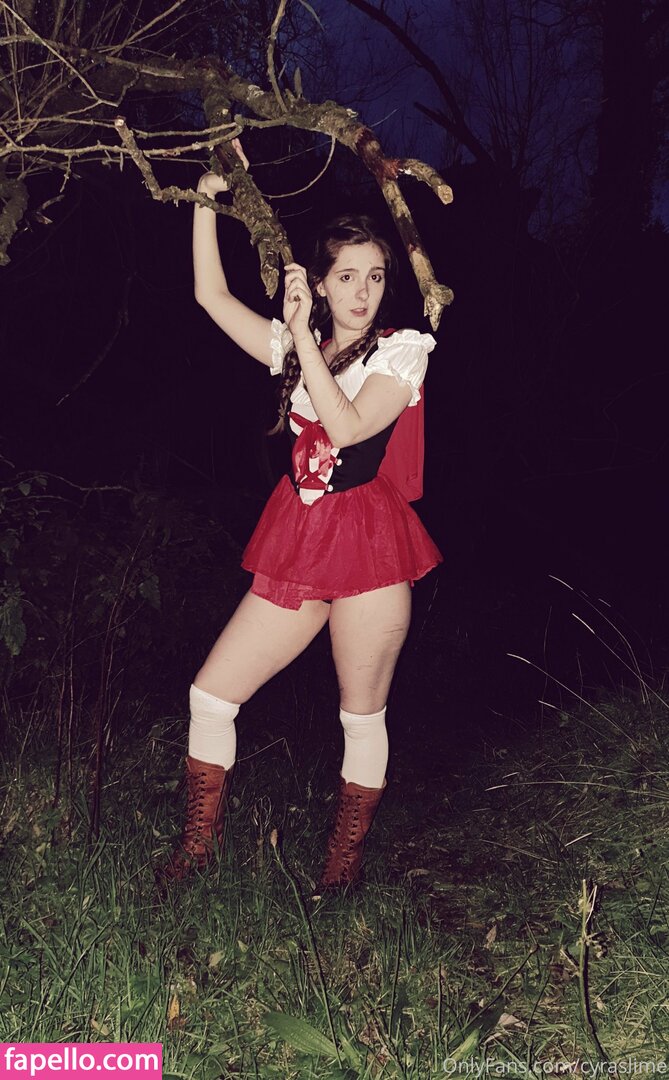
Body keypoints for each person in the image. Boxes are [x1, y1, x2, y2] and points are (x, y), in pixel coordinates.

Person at [163, 143, 442, 888]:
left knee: (360, 715)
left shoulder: (402, 353)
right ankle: (195, 855)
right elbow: (210, 296)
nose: (363, 292)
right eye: (345, 276)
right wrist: (205, 199)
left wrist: (302, 336)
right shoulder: (297, 348)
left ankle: (341, 870)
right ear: (320, 282)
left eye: (375, 276)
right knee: (210, 695)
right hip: (300, 539)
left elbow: (346, 427)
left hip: (372, 544)